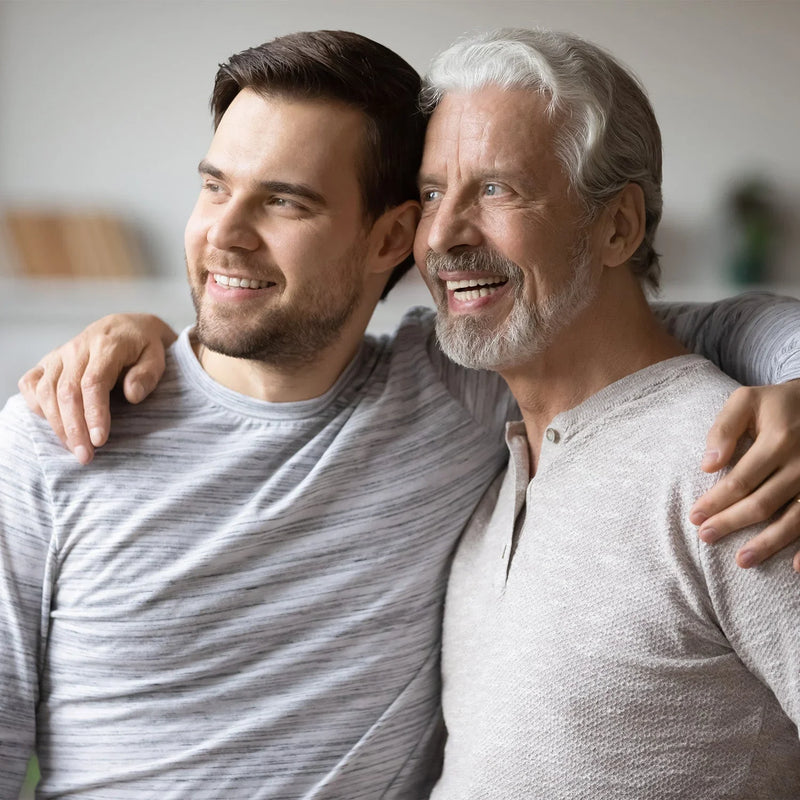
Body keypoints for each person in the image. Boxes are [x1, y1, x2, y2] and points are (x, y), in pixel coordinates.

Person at [3, 27, 800, 799]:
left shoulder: (730, 462)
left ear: (389, 238)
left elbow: (680, 331)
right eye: (213, 186)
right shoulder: (61, 429)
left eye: (496, 188)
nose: (225, 235)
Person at [407, 29, 800, 798]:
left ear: (618, 226)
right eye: (430, 194)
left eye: (496, 190)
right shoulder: (504, 473)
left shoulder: (736, 469)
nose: (443, 236)